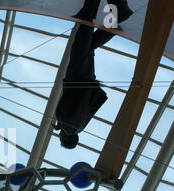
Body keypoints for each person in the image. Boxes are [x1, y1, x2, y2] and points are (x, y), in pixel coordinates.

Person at [54, 0, 132, 149]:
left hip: (86, 81)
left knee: (88, 48)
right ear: (65, 139)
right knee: (81, 45)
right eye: (61, 139)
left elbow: (80, 108)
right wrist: (60, 124)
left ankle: (112, 24)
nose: (59, 137)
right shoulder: (70, 127)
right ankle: (90, 12)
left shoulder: (79, 127)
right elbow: (65, 112)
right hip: (77, 79)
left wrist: (60, 124)